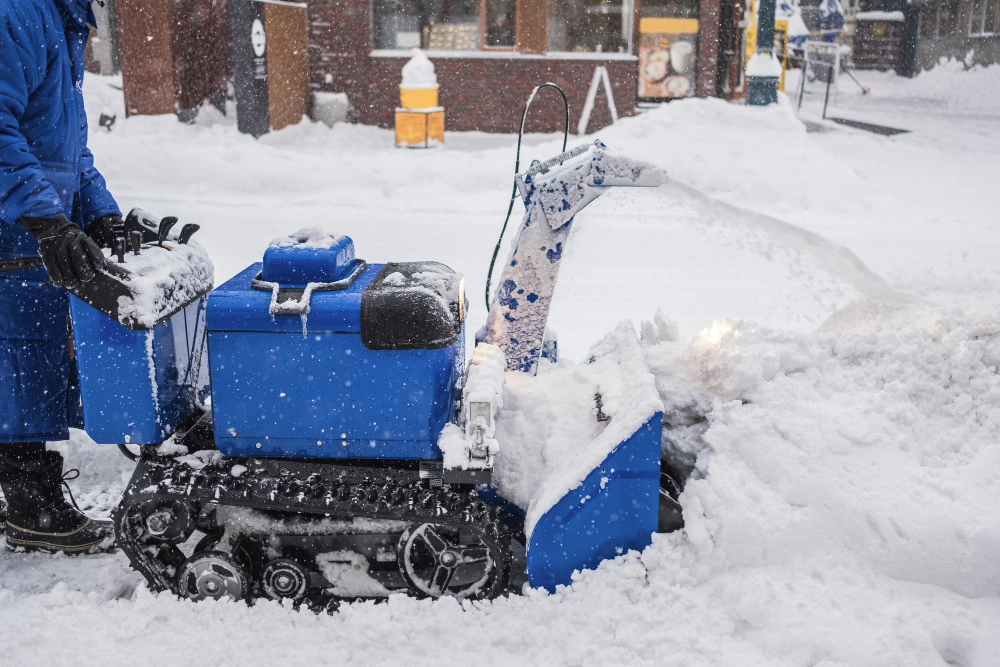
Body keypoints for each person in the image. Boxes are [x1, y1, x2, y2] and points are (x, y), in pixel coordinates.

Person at [0, 0, 132, 553]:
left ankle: (29, 495)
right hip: (13, 223)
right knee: (14, 356)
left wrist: (99, 211)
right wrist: (45, 218)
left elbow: (68, 148)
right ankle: (28, 503)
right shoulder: (17, 13)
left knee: (33, 354)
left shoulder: (61, 17)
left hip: (30, 222)